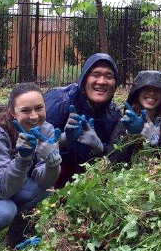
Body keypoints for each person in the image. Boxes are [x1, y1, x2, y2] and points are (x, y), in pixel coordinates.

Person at [0, 83, 62, 247]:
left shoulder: (46, 130)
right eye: (25, 110)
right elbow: (0, 189)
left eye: (39, 108)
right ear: (12, 111)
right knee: (4, 212)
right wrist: (23, 158)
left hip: (13, 183)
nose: (34, 116)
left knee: (45, 192)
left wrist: (52, 165)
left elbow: (45, 182)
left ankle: (16, 237)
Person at [44, 53, 122, 187]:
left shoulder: (114, 113)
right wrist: (62, 140)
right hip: (49, 179)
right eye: (95, 75)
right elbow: (35, 145)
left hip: (86, 184)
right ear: (84, 78)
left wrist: (99, 148)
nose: (102, 81)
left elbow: (113, 160)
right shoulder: (60, 101)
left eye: (109, 77)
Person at [108, 70, 161, 164]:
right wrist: (131, 135)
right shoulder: (126, 120)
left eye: (157, 89)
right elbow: (114, 159)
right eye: (146, 89)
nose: (152, 93)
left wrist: (155, 143)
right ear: (138, 92)